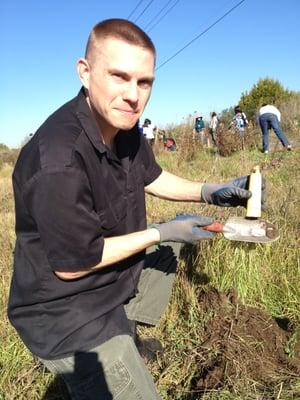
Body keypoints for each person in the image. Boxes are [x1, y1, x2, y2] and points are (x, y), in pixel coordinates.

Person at [7, 19, 265, 400]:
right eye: (119, 77)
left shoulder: (124, 129)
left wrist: (210, 191)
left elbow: (154, 177)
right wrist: (162, 231)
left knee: (168, 245)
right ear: (85, 72)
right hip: (66, 316)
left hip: (104, 284)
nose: (134, 96)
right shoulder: (58, 159)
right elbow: (74, 263)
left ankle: (127, 328)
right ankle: (113, 354)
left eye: (144, 82)